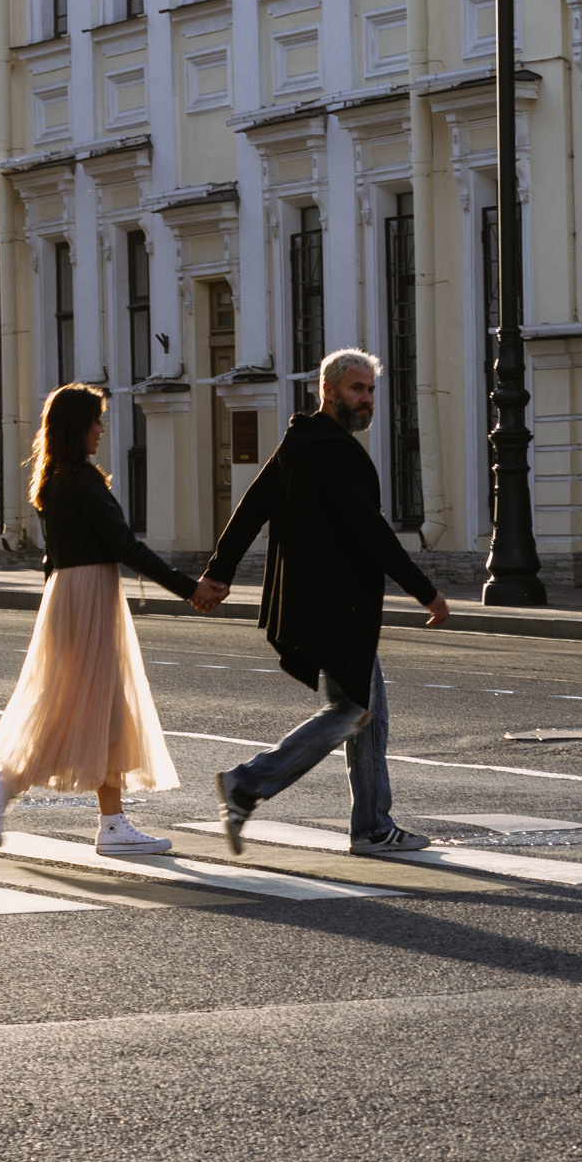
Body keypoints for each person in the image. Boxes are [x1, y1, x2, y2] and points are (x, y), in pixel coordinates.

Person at [193, 348, 451, 854]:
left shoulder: (301, 442)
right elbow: (371, 531)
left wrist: (220, 571)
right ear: (328, 391)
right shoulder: (332, 451)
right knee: (353, 711)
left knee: (365, 713)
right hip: (339, 605)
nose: (367, 399)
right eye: (357, 389)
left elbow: (252, 507)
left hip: (323, 602)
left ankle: (371, 825)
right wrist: (426, 591)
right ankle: (250, 782)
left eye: (371, 390)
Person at [0, 384, 201, 856]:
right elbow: (125, 545)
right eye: (95, 420)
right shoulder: (82, 480)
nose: (101, 428)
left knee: (103, 708)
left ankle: (111, 823)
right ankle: (5, 781)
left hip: (71, 592)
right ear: (77, 427)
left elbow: (55, 554)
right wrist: (189, 588)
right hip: (90, 593)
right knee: (85, 706)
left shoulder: (54, 480)